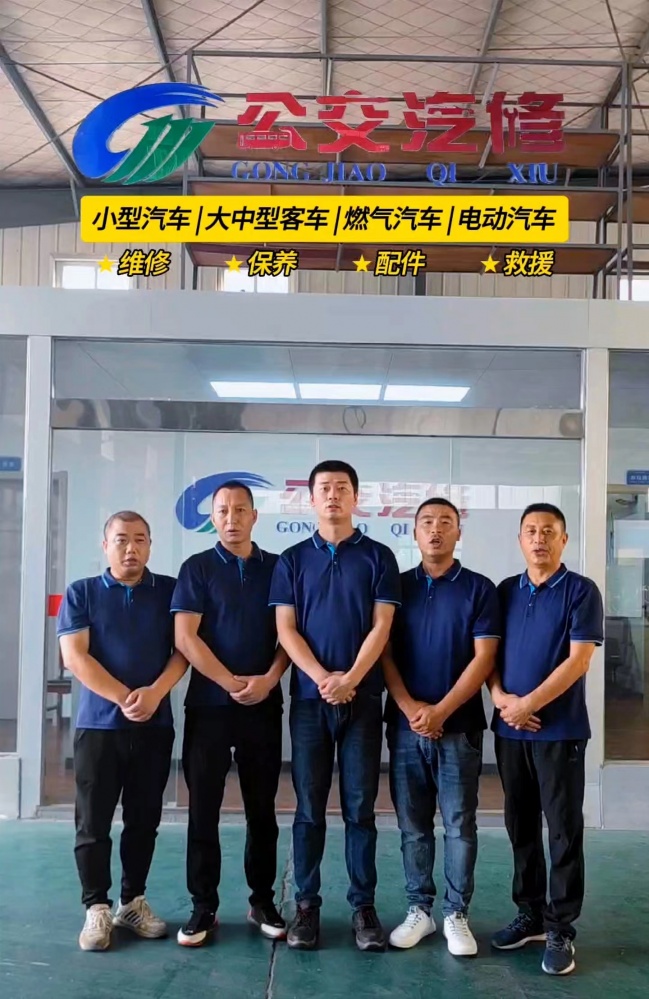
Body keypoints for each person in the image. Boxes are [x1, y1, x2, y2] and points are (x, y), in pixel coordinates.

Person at [270, 460, 401, 952]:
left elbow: (382, 626)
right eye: (324, 488)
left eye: (341, 488)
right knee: (308, 809)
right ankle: (306, 906)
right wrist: (323, 678)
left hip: (362, 700)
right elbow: (286, 629)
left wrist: (351, 679)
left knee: (360, 809)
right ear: (310, 498)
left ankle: (363, 907)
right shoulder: (291, 560)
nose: (332, 495)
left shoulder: (379, 557)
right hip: (309, 702)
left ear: (355, 497)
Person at [57, 510, 187, 952]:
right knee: (93, 821)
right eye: (121, 539)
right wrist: (125, 697)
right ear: (105, 545)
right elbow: (75, 656)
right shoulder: (82, 592)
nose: (131, 548)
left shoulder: (169, 591)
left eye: (139, 539)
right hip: (99, 727)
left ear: (150, 545)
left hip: (155, 725)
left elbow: (183, 650)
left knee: (144, 820)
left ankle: (132, 902)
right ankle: (96, 906)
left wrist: (155, 693)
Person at [489, 503, 603, 977]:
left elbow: (579, 661)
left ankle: (560, 928)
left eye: (549, 531)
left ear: (564, 540)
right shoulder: (505, 592)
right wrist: (500, 698)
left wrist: (529, 703)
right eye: (531, 531)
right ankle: (531, 914)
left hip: (560, 732)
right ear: (520, 539)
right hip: (509, 730)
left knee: (562, 830)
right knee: (520, 825)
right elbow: (487, 653)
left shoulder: (581, 591)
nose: (539, 539)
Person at [172, 481, 288, 947]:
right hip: (209, 708)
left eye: (241, 510)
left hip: (263, 705)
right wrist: (228, 682)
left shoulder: (278, 568)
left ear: (254, 516)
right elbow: (186, 637)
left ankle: (263, 901)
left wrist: (269, 679)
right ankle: (204, 906)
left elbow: (290, 634)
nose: (232, 518)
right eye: (222, 511)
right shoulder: (197, 568)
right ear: (213, 518)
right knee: (204, 810)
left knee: (263, 810)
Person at [383, 498, 500, 956]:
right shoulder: (396, 587)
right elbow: (383, 653)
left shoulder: (479, 588)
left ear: (458, 533)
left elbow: (484, 658)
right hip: (406, 727)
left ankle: (456, 914)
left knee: (458, 825)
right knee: (413, 826)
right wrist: (412, 708)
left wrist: (441, 712)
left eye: (445, 523)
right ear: (414, 532)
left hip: (460, 728)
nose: (436, 530)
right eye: (427, 523)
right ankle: (420, 910)